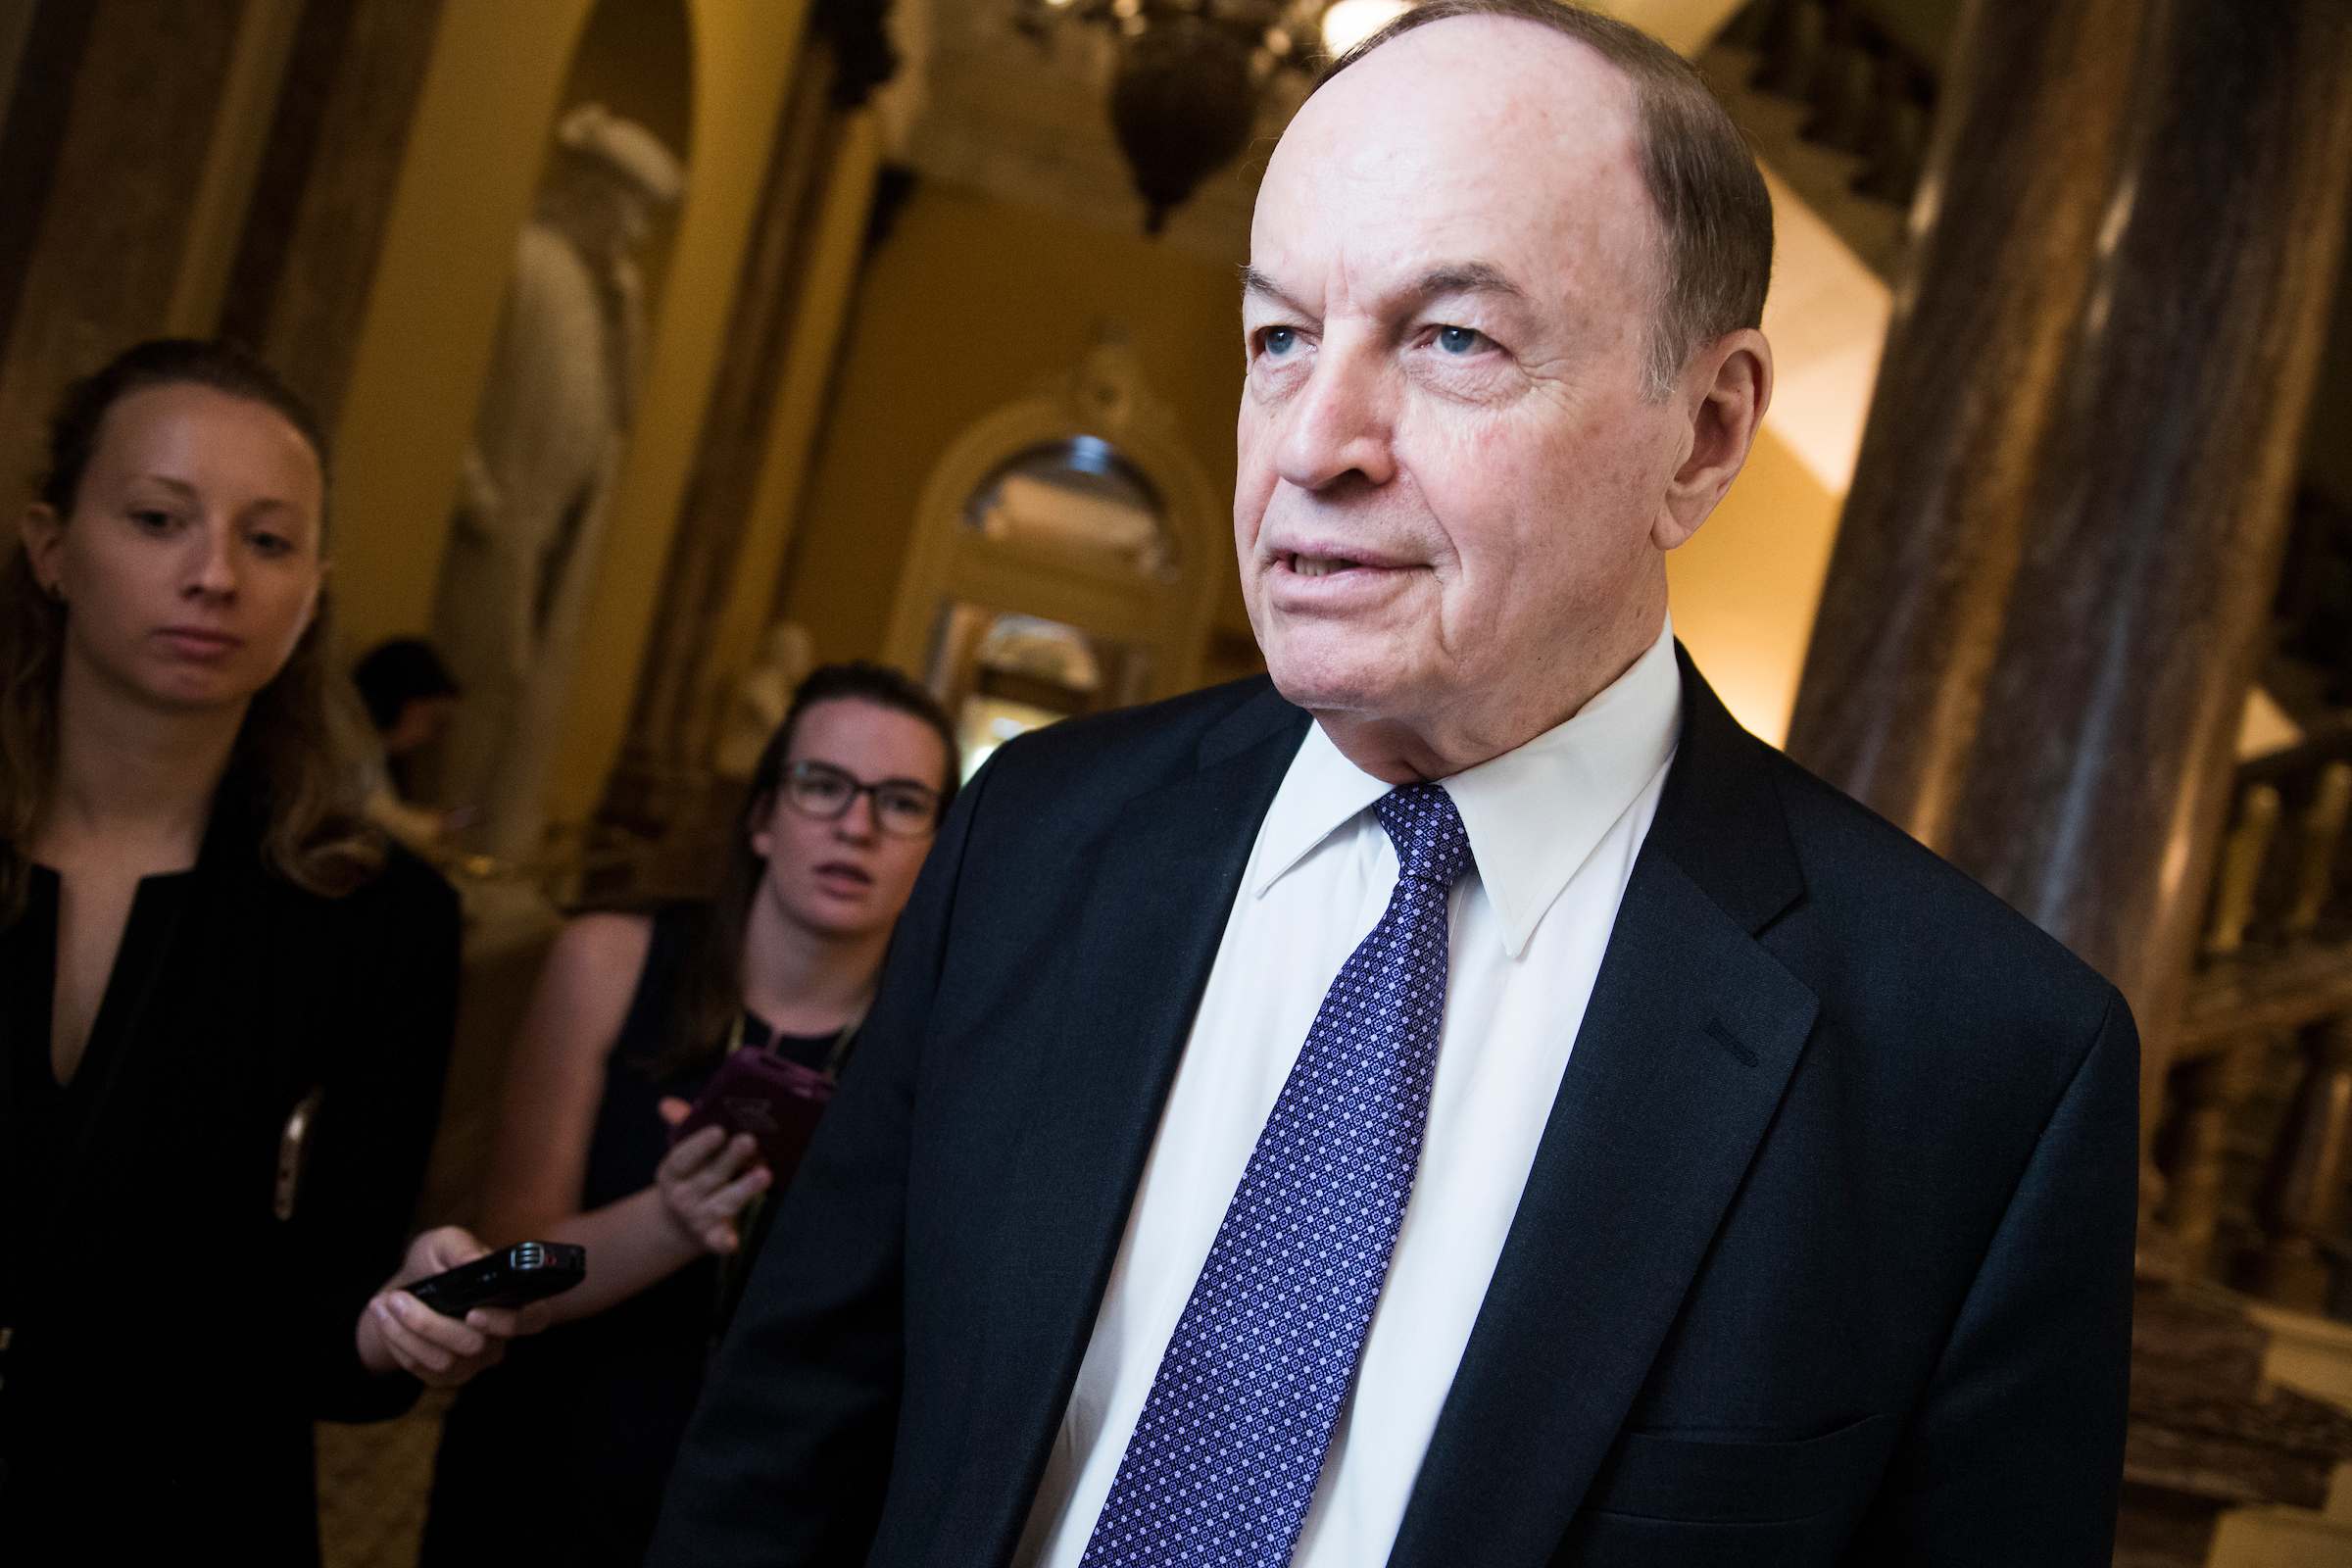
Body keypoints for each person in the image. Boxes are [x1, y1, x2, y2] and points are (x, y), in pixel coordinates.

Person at [647, 5, 2138, 1566]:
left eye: (1453, 341)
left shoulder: (1978, 1071)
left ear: (1702, 435)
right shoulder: (1037, 832)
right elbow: (786, 1448)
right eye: (1279, 336)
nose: (1314, 442)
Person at [0, 339, 543, 1565]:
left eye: (268, 540)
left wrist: (402, 1322)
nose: (213, 576)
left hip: (176, 1508)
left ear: (311, 596)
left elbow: (316, 1339)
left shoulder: (376, 917)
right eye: (157, 518)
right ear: (50, 548)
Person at [418, 662, 957, 1568]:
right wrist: (666, 1221)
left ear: (939, 848)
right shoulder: (611, 962)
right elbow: (510, 1263)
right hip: (547, 1481)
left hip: (771, 1522)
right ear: (760, 816)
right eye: (822, 785)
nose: (854, 826)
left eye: (901, 802)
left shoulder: (940, 1048)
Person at [352, 635, 466, 854]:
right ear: (401, 701)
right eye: (429, 718)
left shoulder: (369, 746)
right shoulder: (349, 743)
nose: (428, 734)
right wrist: (440, 826)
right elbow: (380, 817)